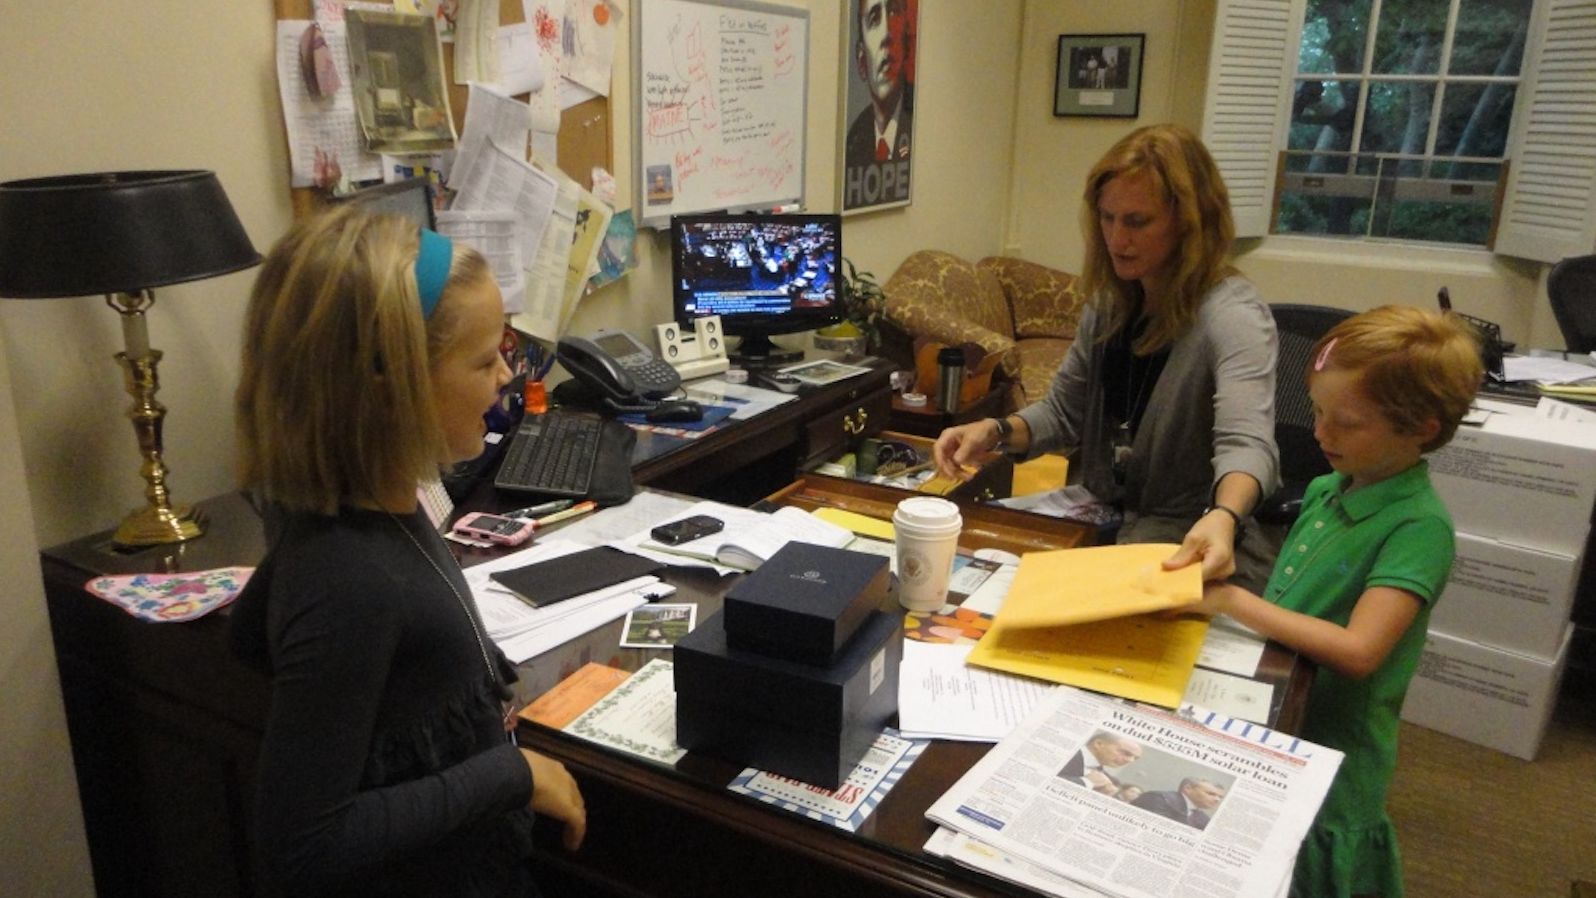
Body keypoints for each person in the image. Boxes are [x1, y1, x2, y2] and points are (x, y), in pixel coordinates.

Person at [229, 206, 586, 896]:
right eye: (484, 359)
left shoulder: (374, 508)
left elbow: (253, 638)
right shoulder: (349, 576)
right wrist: (507, 773)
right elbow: (299, 847)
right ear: (386, 386)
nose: (507, 376)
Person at [1183, 306, 1483, 898]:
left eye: (1347, 422)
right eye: (1317, 411)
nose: (1321, 434)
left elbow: (1361, 650)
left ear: (1421, 427)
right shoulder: (1327, 489)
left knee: (1315, 866)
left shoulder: (1418, 527)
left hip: (1339, 747)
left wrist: (1228, 602)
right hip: (1286, 711)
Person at [933, 123, 1281, 591]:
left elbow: (1248, 446)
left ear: (1189, 223)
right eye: (1107, 218)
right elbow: (1062, 412)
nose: (1117, 239)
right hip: (1102, 519)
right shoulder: (1111, 303)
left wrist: (1224, 514)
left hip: (1185, 535)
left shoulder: (1232, 316)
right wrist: (994, 431)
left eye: (1137, 222)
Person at [842, 0, 913, 208]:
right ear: (862, 62)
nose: (886, 34)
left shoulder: (920, 127)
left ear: (908, 44)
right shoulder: (854, 142)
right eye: (874, 19)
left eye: (893, 12)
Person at [1058, 731, 1142, 795]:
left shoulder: (1110, 780)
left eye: (1135, 758)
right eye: (1126, 753)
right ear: (1099, 744)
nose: (1130, 760)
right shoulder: (1062, 752)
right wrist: (1086, 782)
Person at [1132, 777, 1226, 829]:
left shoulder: (1204, 819)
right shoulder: (1158, 798)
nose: (1217, 800)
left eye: (1220, 797)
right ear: (1188, 789)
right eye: (1211, 794)